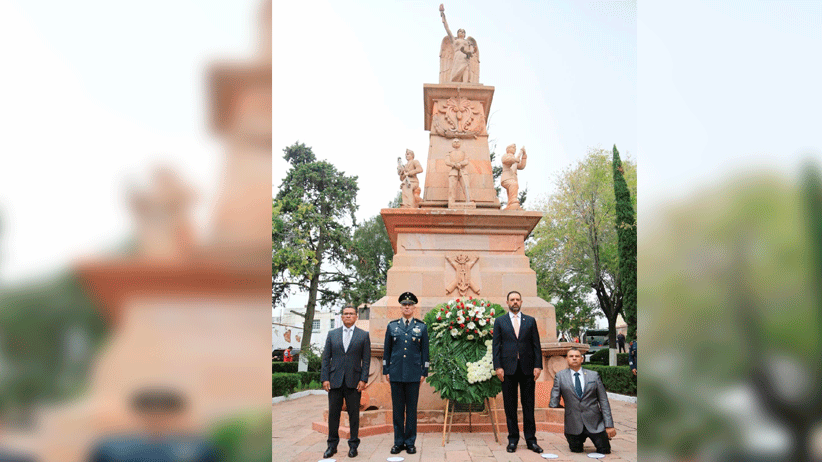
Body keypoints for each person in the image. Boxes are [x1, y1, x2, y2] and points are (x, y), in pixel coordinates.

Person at [89, 387, 217, 461]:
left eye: (164, 413)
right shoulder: (111, 449)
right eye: (150, 412)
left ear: (175, 416)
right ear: (139, 414)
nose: (157, 418)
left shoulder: (198, 448)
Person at [492, 291, 543, 454]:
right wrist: (498, 367)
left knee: (528, 405)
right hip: (507, 370)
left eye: (517, 300)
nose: (515, 302)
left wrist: (538, 366)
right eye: (512, 300)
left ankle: (531, 440)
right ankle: (513, 439)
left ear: (521, 302)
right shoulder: (500, 321)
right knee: (510, 406)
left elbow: (536, 345)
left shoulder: (530, 321)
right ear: (507, 302)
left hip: (528, 369)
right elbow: (496, 346)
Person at [320, 306, 371, 459]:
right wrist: (325, 378)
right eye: (345, 314)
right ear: (342, 317)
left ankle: (353, 445)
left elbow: (366, 360)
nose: (348, 316)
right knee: (333, 415)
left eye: (351, 314)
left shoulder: (363, 335)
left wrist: (363, 379)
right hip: (334, 381)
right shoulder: (332, 334)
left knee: (354, 415)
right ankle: (332, 445)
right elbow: (325, 358)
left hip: (354, 382)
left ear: (356, 317)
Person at [383, 292, 429, 455]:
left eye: (409, 305)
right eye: (404, 305)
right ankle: (398, 442)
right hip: (395, 373)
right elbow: (387, 351)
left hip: (414, 374)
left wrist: (424, 371)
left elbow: (425, 352)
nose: (407, 307)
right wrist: (386, 370)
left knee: (411, 410)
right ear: (401, 307)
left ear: (414, 307)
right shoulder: (392, 326)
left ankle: (410, 442)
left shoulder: (421, 327)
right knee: (397, 410)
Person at [550, 347, 616, 454]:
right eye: (571, 356)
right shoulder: (560, 376)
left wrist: (609, 425)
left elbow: (603, 401)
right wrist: (565, 409)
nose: (574, 358)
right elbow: (554, 402)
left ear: (582, 359)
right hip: (573, 424)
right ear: (566, 359)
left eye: (577, 356)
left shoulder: (593, 375)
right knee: (576, 451)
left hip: (595, 423)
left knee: (605, 451)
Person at [500, 144, 527, 210]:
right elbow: (506, 160)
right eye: (512, 148)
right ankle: (513, 202)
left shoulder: (514, 160)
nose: (514, 149)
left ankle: (510, 205)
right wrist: (515, 159)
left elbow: (522, 166)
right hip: (506, 177)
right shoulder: (506, 156)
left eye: (515, 148)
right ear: (508, 149)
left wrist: (524, 156)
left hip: (513, 177)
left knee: (511, 194)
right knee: (513, 184)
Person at [445, 139, 471, 205]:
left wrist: (460, 164)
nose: (456, 143)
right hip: (453, 171)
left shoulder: (463, 152)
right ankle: (451, 201)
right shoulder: (449, 153)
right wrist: (454, 164)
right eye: (454, 142)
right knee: (452, 188)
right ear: (452, 144)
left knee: (466, 186)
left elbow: (466, 161)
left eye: (458, 142)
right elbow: (447, 162)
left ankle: (469, 200)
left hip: (463, 171)